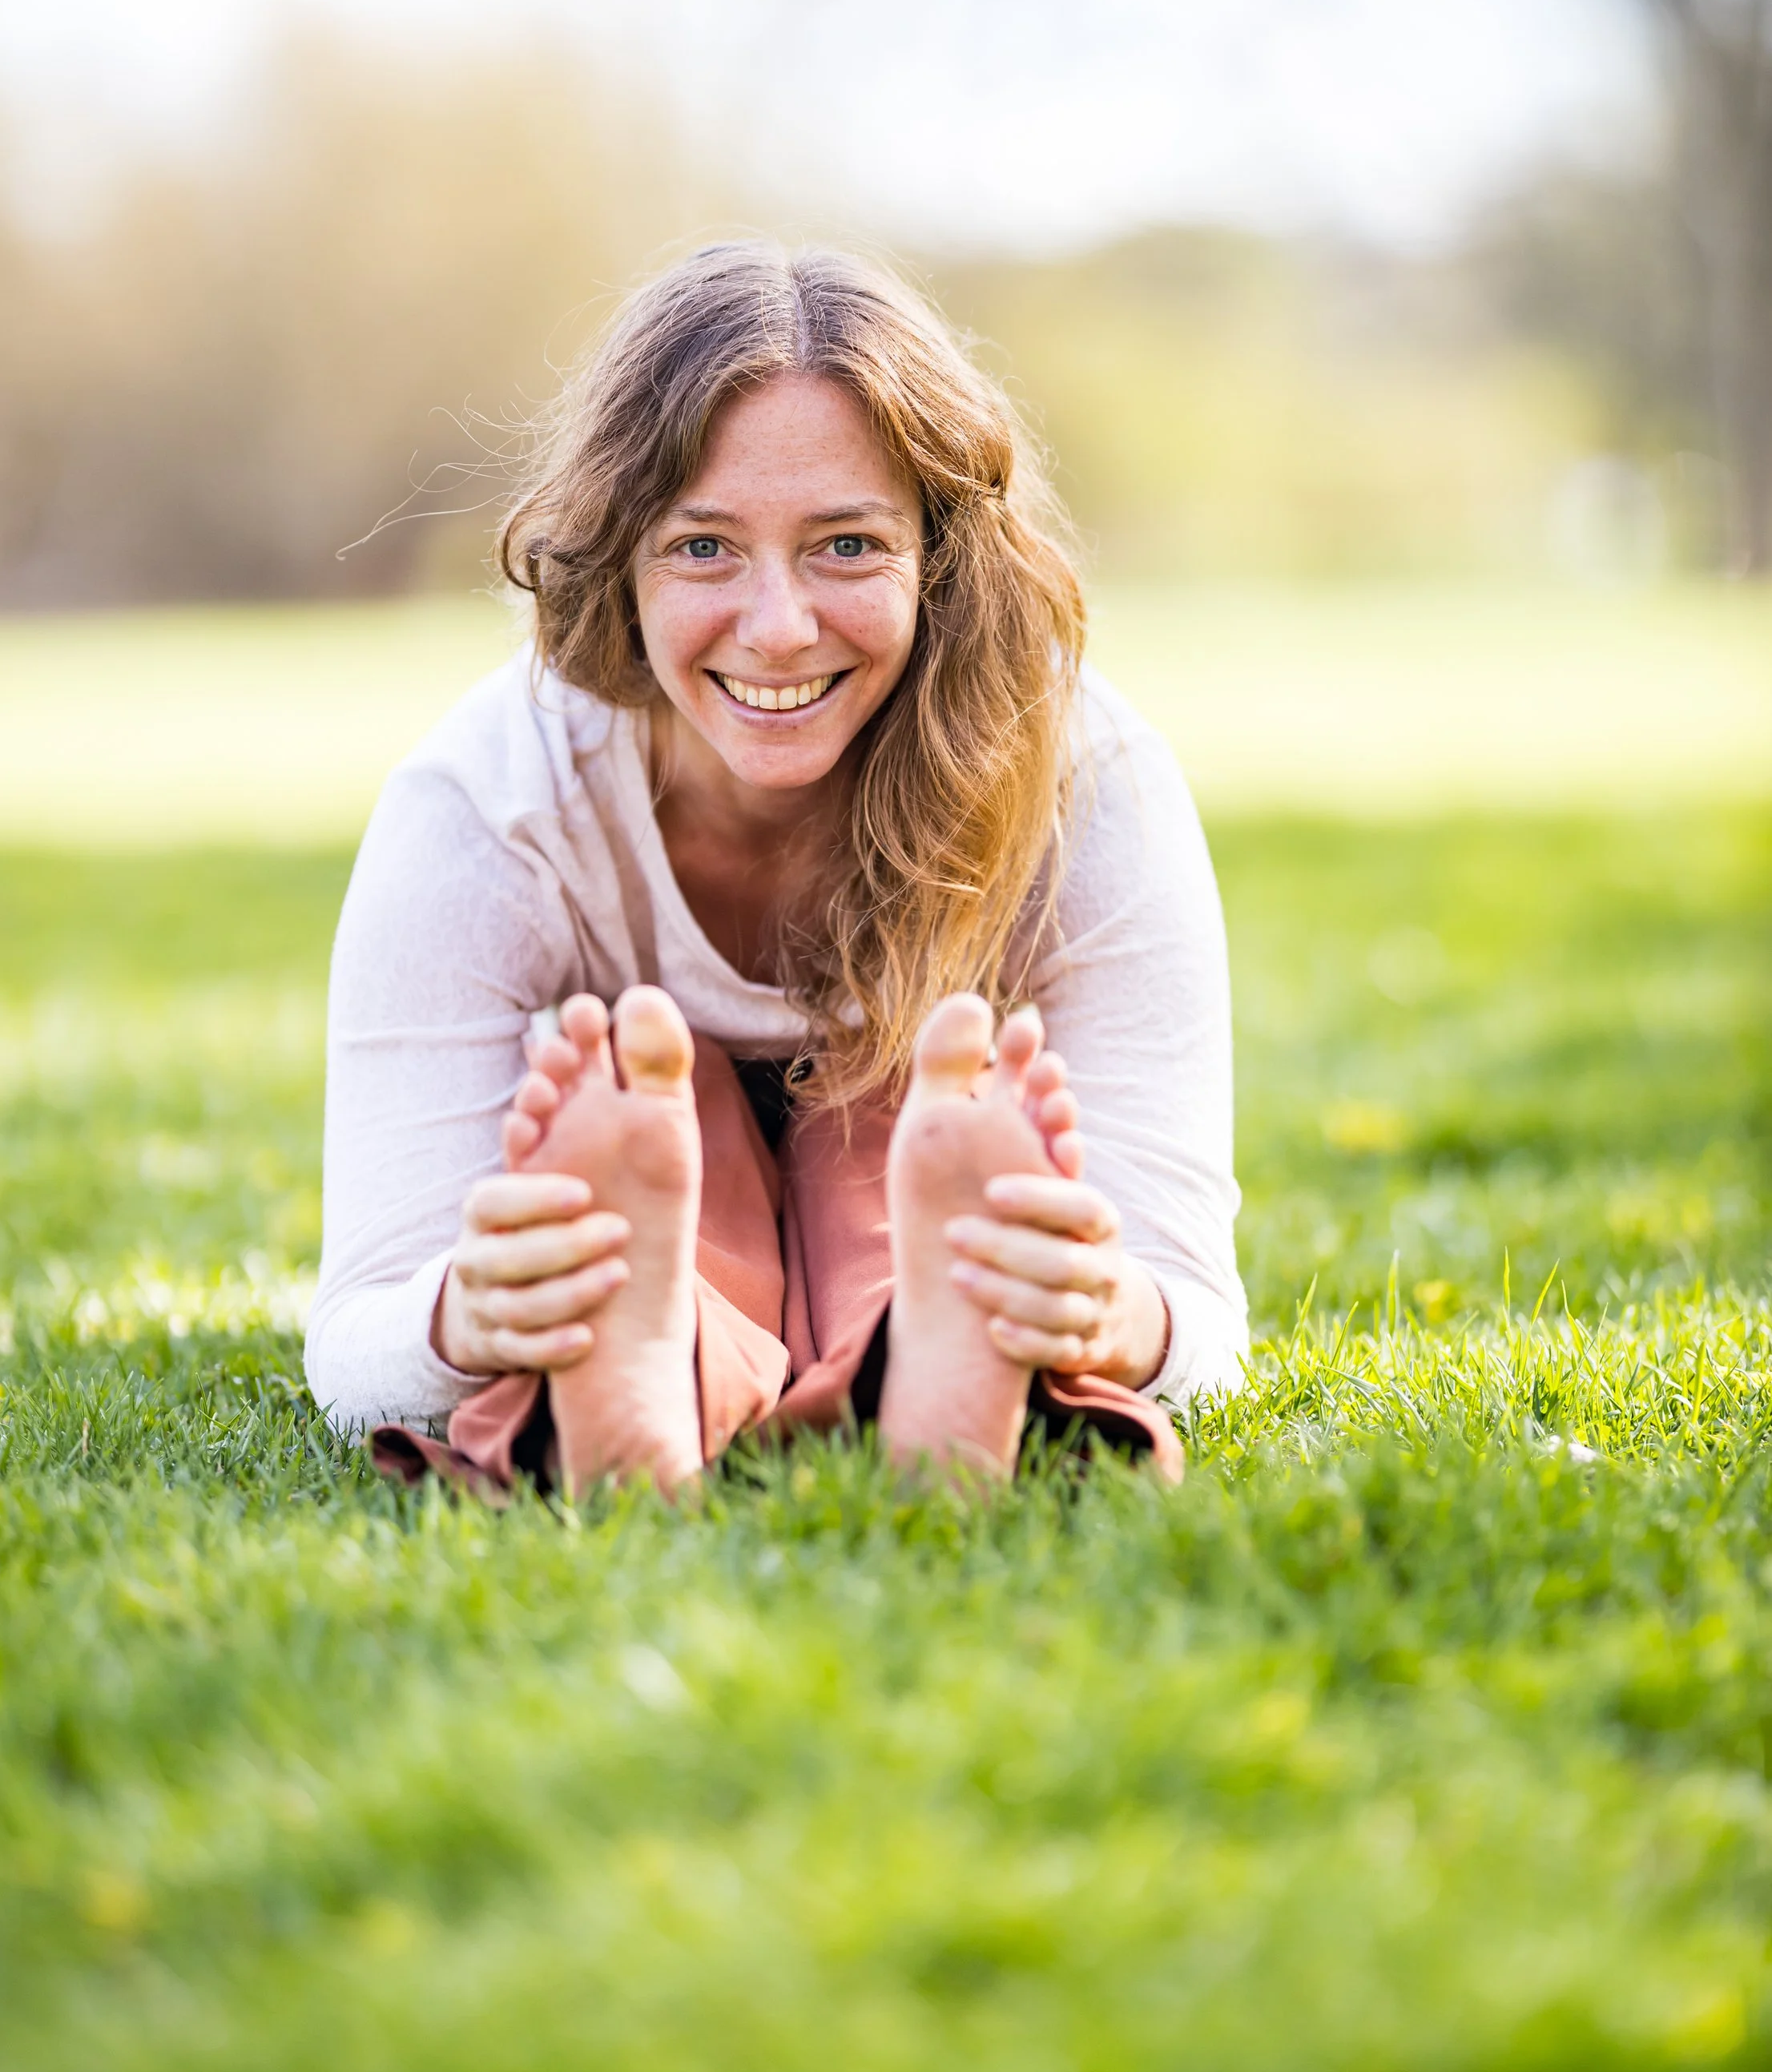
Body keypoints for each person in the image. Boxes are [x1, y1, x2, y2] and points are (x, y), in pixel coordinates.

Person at [307, 241, 1246, 1497]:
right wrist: (465, 1315)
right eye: (703, 548)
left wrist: (1094, 1304)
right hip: (654, 1134)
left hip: (913, 1114)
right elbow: (360, 1327)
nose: (779, 625)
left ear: (941, 555)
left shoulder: (1088, 783)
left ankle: (934, 1328)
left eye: (848, 545)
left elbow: (1196, 1312)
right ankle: (659, 1329)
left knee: (912, 1120)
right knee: (654, 1102)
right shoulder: (488, 806)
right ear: (618, 555)